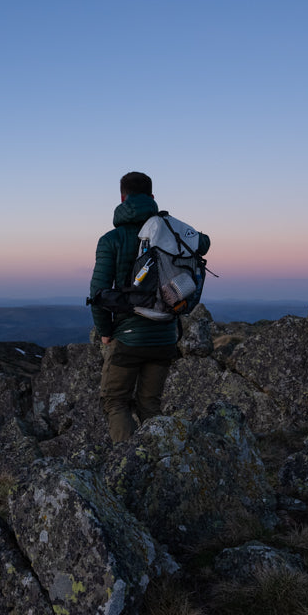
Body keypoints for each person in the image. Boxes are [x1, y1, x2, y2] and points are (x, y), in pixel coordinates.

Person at [89, 171, 211, 443]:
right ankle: (159, 464)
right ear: (152, 198)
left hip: (128, 338)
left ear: (122, 197)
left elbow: (97, 292)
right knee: (150, 405)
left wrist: (105, 331)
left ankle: (130, 467)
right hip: (166, 335)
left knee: (116, 402)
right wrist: (179, 228)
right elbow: (204, 242)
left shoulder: (111, 239)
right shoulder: (170, 232)